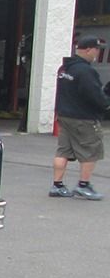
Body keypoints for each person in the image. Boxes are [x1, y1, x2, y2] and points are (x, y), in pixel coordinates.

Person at [51, 35, 109, 200]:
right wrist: (106, 104)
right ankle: (83, 186)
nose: (97, 54)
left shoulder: (65, 68)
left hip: (64, 116)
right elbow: (95, 95)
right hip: (84, 118)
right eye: (97, 50)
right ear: (89, 49)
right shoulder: (85, 71)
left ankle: (57, 185)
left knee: (63, 151)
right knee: (91, 151)